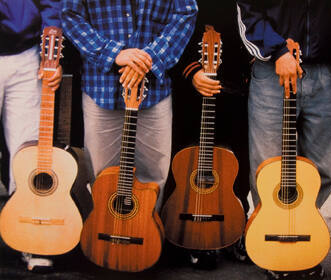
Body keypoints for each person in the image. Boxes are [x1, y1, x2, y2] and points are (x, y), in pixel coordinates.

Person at [236, 1, 331, 279]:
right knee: (268, 168)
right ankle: (268, 237)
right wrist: (278, 51)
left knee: (323, 167)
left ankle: (302, 233)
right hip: (273, 69)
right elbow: (248, 13)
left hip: (326, 70)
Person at [61, 0, 197, 212]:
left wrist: (149, 58)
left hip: (154, 89)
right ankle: (106, 240)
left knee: (152, 180)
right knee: (102, 178)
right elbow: (70, 15)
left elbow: (186, 12)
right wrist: (112, 54)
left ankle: (145, 238)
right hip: (101, 88)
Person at [168, 0, 251, 268]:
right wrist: (191, 72)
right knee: (184, 161)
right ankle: (182, 231)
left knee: (236, 163)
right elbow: (169, 30)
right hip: (190, 87)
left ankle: (234, 228)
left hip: (235, 85)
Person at [0, 0, 63, 271]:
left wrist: (52, 53)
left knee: (26, 151)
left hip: (24, 55)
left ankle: (28, 236)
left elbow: (53, 4)